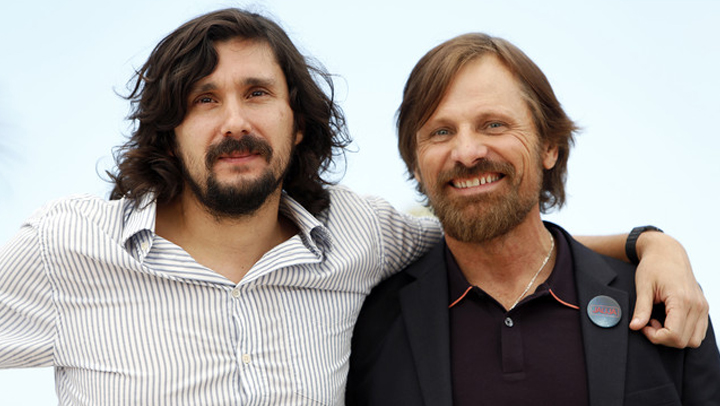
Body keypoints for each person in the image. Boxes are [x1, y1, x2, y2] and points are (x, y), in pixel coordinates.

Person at [0, 9, 708, 405]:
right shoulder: (69, 247)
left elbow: (492, 227)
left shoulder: (360, 236)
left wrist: (652, 244)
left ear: (297, 121)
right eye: (202, 101)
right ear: (169, 130)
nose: (233, 123)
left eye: (257, 94)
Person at [346, 33, 720, 405]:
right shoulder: (368, 324)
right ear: (414, 163)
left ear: (550, 147)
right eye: (441, 132)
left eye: (493, 124)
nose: (467, 152)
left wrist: (655, 242)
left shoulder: (661, 301)